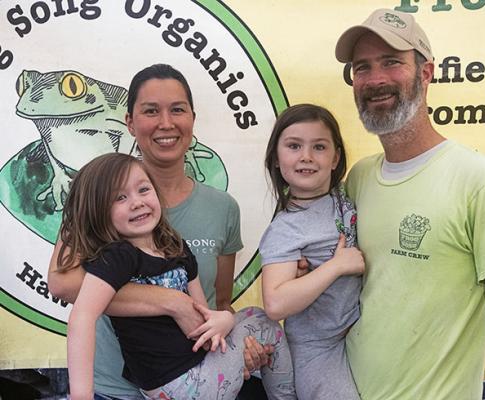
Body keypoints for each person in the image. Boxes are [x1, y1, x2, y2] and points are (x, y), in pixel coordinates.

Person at [334, 8, 485, 400]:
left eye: (392, 62)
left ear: (426, 73)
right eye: (362, 67)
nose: (375, 79)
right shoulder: (359, 179)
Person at [48, 64, 279, 400]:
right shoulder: (97, 197)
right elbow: (63, 283)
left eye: (177, 110)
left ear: (193, 119)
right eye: (151, 111)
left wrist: (236, 345)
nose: (166, 123)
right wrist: (171, 301)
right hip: (111, 390)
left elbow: (223, 302)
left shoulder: (223, 207)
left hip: (195, 380)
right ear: (129, 122)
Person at [60, 153, 294, 400]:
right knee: (267, 324)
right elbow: (82, 318)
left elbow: (203, 322)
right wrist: (81, 396)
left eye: (143, 189)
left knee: (256, 316)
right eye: (120, 197)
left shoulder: (177, 249)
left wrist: (224, 320)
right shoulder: (117, 256)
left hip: (198, 368)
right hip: (178, 385)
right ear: (98, 211)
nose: (137, 202)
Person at [260, 104, 364, 400]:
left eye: (319, 146)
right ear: (277, 160)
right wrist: (336, 266)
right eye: (294, 146)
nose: (306, 156)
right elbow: (275, 304)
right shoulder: (285, 227)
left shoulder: (346, 195)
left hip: (357, 335)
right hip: (316, 348)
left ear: (336, 158)